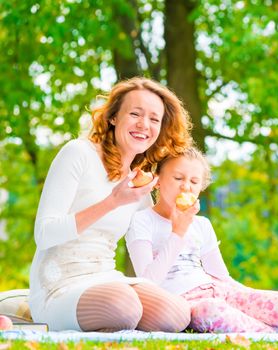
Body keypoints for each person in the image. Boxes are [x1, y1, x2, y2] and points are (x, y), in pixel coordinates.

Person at [29, 77, 193, 332]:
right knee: (124, 305)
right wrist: (112, 202)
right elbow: (43, 234)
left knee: (177, 313)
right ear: (114, 117)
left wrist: (178, 228)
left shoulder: (139, 184)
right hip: (59, 285)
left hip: (106, 279)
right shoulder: (78, 153)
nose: (144, 125)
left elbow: (148, 272)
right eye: (135, 113)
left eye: (154, 119)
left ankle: (110, 327)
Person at [125, 147, 278, 333]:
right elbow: (148, 282)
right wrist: (178, 231)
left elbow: (222, 276)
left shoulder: (201, 224)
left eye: (194, 181)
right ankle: (276, 335)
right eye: (178, 178)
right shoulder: (142, 221)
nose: (186, 186)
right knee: (211, 311)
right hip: (187, 303)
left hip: (218, 290)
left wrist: (249, 296)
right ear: (157, 180)